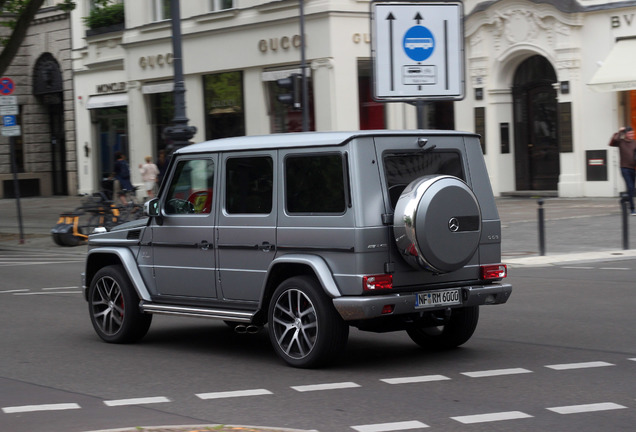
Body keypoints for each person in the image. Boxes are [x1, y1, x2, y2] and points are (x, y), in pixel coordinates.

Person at [609, 126, 636, 215]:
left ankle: (623, 199)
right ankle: (632, 209)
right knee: (630, 187)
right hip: (624, 168)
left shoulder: (634, 143)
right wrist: (619, 131)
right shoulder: (621, 142)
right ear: (625, 134)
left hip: (633, 169)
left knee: (631, 189)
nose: (632, 135)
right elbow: (612, 142)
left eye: (632, 133)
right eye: (630, 133)